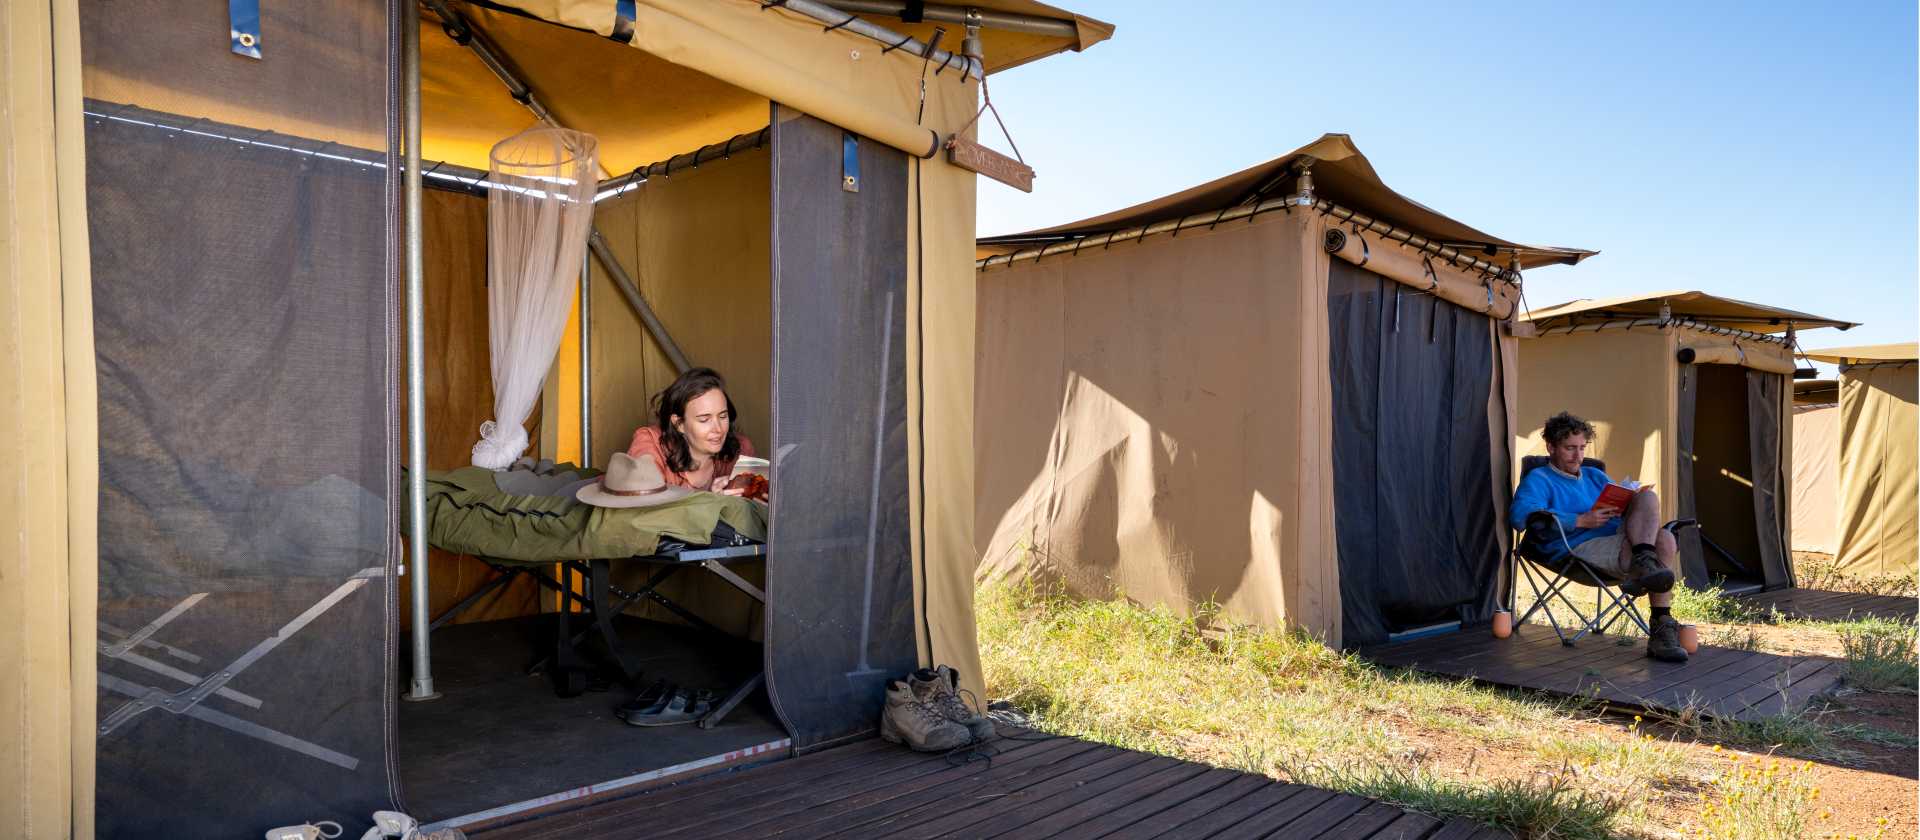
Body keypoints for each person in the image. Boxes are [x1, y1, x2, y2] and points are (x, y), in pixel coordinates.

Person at [1511, 411, 1688, 663]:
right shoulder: (1539, 479)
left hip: (1615, 538)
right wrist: (1580, 520)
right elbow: (1520, 517)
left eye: (1582, 448)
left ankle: (1644, 570)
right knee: (1665, 542)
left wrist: (1628, 500)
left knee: (1649, 501)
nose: (1578, 456)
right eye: (1570, 448)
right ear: (1551, 447)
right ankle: (1662, 624)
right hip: (1575, 547)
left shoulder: (1594, 475)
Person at [625, 367, 756, 496]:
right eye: (704, 419)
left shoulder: (741, 449)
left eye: (723, 416)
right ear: (679, 423)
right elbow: (644, 508)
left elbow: (753, 510)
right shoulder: (650, 443)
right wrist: (713, 503)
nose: (718, 429)